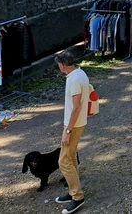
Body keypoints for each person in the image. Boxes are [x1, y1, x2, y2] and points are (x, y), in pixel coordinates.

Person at [54, 50, 91, 213]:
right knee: (70, 156)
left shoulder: (74, 80)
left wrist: (67, 131)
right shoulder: (79, 73)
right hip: (77, 123)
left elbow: (76, 108)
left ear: (62, 65)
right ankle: (72, 191)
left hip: (73, 125)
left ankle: (77, 196)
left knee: (63, 161)